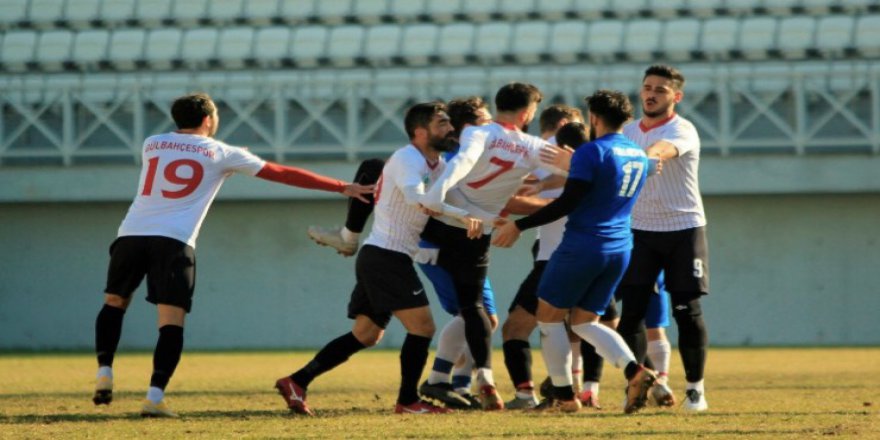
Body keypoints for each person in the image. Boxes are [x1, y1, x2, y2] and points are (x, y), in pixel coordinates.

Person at [91, 93, 373, 417]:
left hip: (131, 234)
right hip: (173, 241)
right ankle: (154, 397)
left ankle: (104, 372)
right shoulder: (222, 152)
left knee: (114, 302)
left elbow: (184, 156)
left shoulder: (152, 143)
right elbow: (280, 173)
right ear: (209, 120)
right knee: (170, 322)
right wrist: (342, 186)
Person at [274, 102, 483, 416]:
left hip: (384, 257)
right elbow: (418, 200)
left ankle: (297, 381)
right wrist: (463, 215)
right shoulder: (406, 158)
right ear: (420, 131)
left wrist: (490, 221)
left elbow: (438, 203)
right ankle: (409, 401)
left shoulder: (437, 165)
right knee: (423, 327)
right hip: (386, 258)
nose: (450, 128)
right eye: (442, 123)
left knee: (366, 334)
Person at [492, 89, 658, 414]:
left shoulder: (591, 152)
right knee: (584, 322)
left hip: (583, 245)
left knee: (548, 318)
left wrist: (519, 226)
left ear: (593, 118)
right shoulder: (637, 153)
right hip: (620, 247)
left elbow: (569, 202)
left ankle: (566, 398)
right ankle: (634, 371)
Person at [418, 82, 568, 410]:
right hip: (468, 233)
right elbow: (574, 168)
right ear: (528, 113)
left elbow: (463, 165)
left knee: (478, 313)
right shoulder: (531, 146)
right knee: (472, 310)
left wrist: (437, 193)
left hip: (446, 225)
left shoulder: (477, 134)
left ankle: (457, 380)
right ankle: (463, 377)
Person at [615, 65, 710, 411]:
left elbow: (662, 149)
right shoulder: (626, 130)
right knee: (632, 315)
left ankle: (695, 389)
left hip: (683, 229)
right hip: (639, 231)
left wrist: (644, 157)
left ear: (676, 97)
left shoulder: (683, 129)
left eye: (660, 89)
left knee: (687, 310)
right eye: (647, 87)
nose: (651, 93)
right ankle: (643, 384)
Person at [499, 107, 588, 410]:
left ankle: (537, 394)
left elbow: (532, 201)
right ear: (565, 124)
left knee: (517, 327)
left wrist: (508, 206)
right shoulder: (575, 157)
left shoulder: (545, 157)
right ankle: (583, 389)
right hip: (586, 253)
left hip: (557, 258)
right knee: (584, 325)